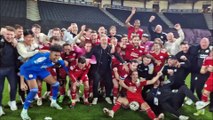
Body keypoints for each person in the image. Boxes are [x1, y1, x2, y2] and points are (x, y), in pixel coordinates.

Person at [19, 44, 68, 120]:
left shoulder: (58, 58)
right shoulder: (41, 57)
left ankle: (53, 102)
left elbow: (65, 67)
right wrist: (22, 82)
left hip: (41, 70)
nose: (57, 57)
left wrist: (72, 77)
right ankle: (24, 111)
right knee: (34, 90)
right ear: (50, 53)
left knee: (56, 84)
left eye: (58, 55)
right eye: (55, 55)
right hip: (30, 71)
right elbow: (23, 67)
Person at [87, 34, 125, 105]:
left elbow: (117, 55)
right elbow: (89, 54)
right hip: (97, 69)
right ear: (100, 40)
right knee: (96, 82)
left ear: (108, 40)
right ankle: (95, 97)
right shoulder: (96, 47)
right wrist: (82, 59)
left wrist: (123, 62)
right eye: (103, 39)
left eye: (105, 39)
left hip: (107, 69)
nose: (104, 41)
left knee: (109, 83)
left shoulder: (110, 47)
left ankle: (107, 96)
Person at [0, 26, 18, 116]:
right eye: (7, 34)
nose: (9, 36)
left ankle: (12, 101)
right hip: (0, 69)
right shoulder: (1, 41)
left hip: (12, 69)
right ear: (4, 34)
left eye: (11, 34)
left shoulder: (16, 43)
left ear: (14, 35)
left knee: (14, 87)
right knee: (0, 89)